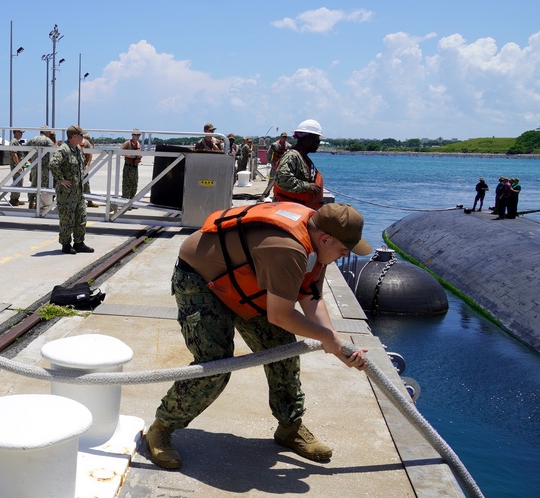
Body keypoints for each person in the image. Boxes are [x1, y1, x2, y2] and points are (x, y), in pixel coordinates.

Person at [145, 202, 373, 469]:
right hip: (201, 279)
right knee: (215, 364)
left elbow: (311, 298)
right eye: (343, 250)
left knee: (282, 352)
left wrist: (336, 344)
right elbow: (281, 315)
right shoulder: (287, 249)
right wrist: (327, 338)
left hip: (244, 279)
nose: (343, 256)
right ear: (325, 238)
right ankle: (161, 428)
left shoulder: (315, 241)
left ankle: (289, 427)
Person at [51, 125, 93, 254]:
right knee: (67, 220)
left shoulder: (78, 149)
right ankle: (66, 245)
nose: (83, 138)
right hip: (67, 194)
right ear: (74, 136)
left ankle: (79, 243)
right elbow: (53, 164)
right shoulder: (64, 149)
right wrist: (61, 180)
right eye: (81, 135)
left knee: (81, 218)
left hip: (78, 193)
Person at [273, 119, 325, 209]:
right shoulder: (292, 156)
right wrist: (307, 186)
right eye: (317, 141)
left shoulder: (302, 156)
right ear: (308, 141)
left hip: (300, 209)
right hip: (288, 211)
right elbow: (282, 178)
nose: (318, 145)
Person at [25, 126, 57, 210]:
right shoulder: (47, 140)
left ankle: (31, 202)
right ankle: (39, 203)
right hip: (44, 167)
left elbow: (24, 148)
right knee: (43, 185)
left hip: (34, 166)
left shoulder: (33, 139)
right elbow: (54, 152)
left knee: (33, 184)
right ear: (45, 132)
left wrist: (28, 159)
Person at [264, 132, 291, 196]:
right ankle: (267, 193)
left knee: (283, 179)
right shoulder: (274, 145)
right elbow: (269, 153)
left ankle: (280, 194)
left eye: (285, 137)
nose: (284, 138)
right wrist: (269, 161)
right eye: (283, 137)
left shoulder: (288, 146)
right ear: (280, 137)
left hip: (283, 164)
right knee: (272, 178)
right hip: (275, 163)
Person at [120, 129, 142, 201]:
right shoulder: (127, 143)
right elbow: (120, 151)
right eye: (136, 135)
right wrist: (129, 155)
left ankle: (132, 201)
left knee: (134, 184)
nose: (138, 136)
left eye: (139, 135)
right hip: (128, 166)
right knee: (127, 185)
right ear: (132, 135)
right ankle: (125, 202)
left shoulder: (138, 144)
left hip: (135, 167)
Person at [8, 129, 27, 206]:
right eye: (20, 133)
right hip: (16, 166)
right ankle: (13, 199)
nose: (22, 134)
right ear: (15, 132)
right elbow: (14, 153)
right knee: (17, 181)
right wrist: (18, 165)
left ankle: (16, 199)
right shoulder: (14, 142)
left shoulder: (17, 142)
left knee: (19, 182)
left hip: (19, 165)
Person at [82, 133, 98, 207]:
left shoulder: (86, 143)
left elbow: (90, 154)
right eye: (87, 138)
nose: (87, 139)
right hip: (76, 167)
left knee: (86, 183)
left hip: (83, 166)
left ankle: (89, 201)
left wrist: (88, 165)